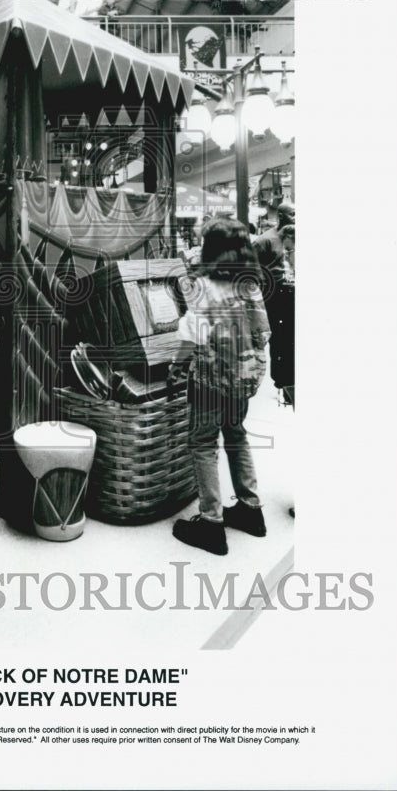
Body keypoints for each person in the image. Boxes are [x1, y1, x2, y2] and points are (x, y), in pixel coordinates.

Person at [168, 217, 272, 556]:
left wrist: (176, 366)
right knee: (237, 434)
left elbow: (191, 335)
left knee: (202, 442)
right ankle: (250, 508)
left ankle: (211, 524)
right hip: (244, 378)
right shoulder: (250, 285)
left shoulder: (205, 286)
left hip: (211, 379)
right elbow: (263, 332)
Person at [252, 201, 295, 408]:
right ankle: (283, 385)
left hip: (292, 294)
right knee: (280, 341)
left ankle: (291, 385)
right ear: (281, 216)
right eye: (293, 214)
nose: (297, 218)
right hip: (274, 297)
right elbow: (251, 270)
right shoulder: (265, 241)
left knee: (292, 340)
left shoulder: (294, 238)